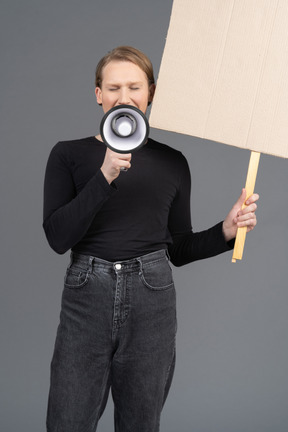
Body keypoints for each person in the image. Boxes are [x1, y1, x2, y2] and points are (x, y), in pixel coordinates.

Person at [43, 46, 259, 432]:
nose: (123, 98)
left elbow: (178, 248)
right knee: (68, 422)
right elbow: (58, 238)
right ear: (98, 94)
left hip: (151, 299)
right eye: (113, 88)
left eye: (134, 87)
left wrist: (225, 231)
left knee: (141, 423)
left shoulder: (172, 161)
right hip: (86, 295)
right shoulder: (68, 155)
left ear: (150, 93)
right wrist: (104, 176)